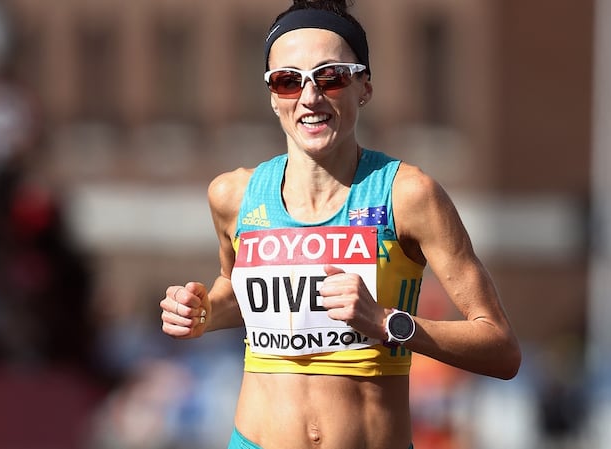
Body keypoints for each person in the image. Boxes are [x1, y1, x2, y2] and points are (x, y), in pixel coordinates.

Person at [159, 1, 521, 448]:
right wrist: (202, 312)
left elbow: (501, 349)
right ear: (273, 98)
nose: (310, 98)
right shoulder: (232, 196)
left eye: (330, 77)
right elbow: (236, 291)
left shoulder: (408, 195)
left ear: (364, 86)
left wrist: (387, 322)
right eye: (288, 81)